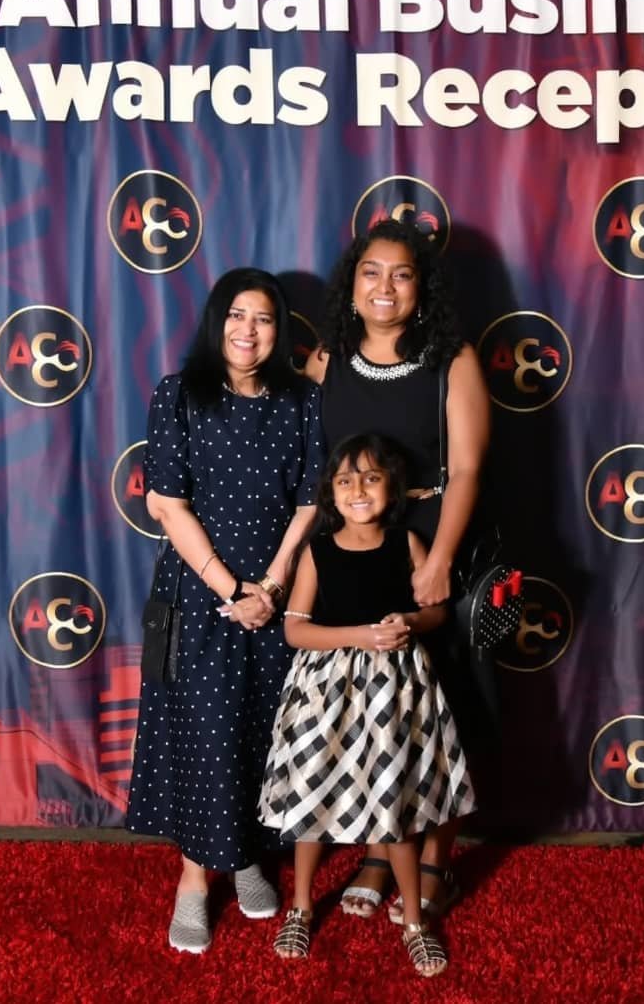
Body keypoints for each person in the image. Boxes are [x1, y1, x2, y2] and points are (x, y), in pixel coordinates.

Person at [127, 267, 325, 954]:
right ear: (217, 322)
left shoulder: (302, 400)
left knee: (263, 730)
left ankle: (245, 858)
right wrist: (228, 588)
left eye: (264, 318)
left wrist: (271, 585)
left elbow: (311, 499)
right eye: (237, 315)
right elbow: (167, 502)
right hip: (199, 595)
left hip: (276, 595)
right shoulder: (179, 394)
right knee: (203, 733)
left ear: (280, 331)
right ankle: (193, 880)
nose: (249, 330)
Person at [305, 218, 490, 923]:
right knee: (376, 708)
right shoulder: (328, 360)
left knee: (442, 708)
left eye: (402, 274)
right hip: (356, 547)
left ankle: (436, 858)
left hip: (430, 538)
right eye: (371, 272)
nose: (385, 287)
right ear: (352, 286)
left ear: (422, 288)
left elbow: (467, 468)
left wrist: (439, 560)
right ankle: (383, 851)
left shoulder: (452, 359)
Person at [259, 433, 475, 976]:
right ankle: (302, 908)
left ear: (392, 489)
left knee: (392, 802)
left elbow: (437, 611)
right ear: (331, 493)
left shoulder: (407, 543)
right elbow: (295, 631)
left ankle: (415, 924)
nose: (358, 490)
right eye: (345, 480)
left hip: (394, 692)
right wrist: (358, 635)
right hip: (325, 694)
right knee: (310, 798)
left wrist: (411, 620)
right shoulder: (317, 551)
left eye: (372, 479)